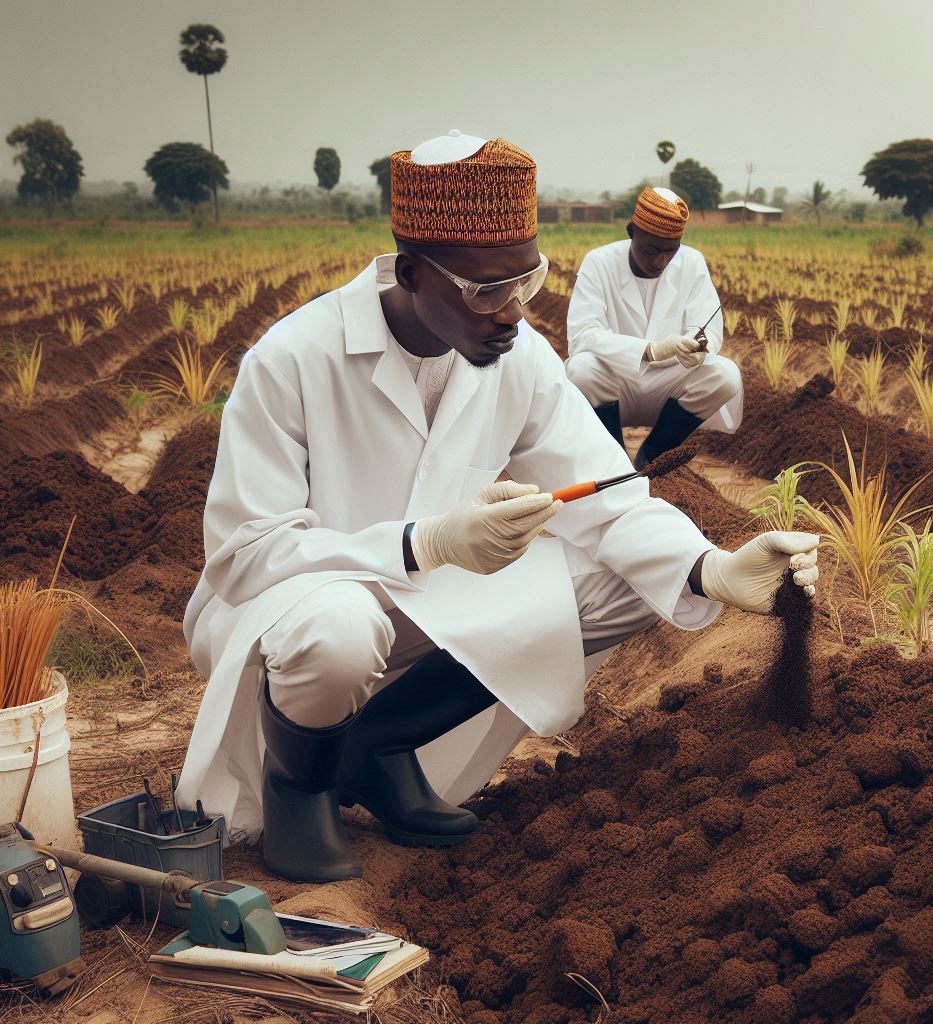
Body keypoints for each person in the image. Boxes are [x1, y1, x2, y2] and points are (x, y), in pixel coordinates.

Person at [177, 131, 818, 884]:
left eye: (528, 282)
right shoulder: (293, 359)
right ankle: (300, 786)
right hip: (294, 607)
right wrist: (427, 543)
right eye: (487, 291)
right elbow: (245, 554)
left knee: (627, 580)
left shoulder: (521, 359)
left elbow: (608, 497)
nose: (513, 312)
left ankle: (376, 746)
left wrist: (710, 568)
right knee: (342, 629)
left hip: (428, 595)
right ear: (411, 273)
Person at [565, 186, 743, 469]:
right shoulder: (599, 263)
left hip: (668, 383)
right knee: (581, 369)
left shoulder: (691, 261)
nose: (661, 262)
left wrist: (699, 347)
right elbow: (583, 335)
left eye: (670, 252)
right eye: (651, 251)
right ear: (631, 231)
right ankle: (614, 461)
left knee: (726, 375)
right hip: (616, 381)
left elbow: (707, 325)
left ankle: (655, 454)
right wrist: (650, 350)